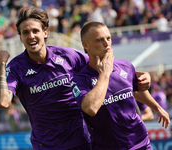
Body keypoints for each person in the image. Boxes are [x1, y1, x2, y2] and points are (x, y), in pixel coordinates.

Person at [0, 7, 152, 149]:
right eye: (25, 32)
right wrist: (1, 64)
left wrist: (139, 74)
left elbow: (101, 64)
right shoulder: (16, 67)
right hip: (47, 145)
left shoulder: (68, 55)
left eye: (35, 31)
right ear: (20, 37)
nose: (31, 36)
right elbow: (2, 102)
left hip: (83, 139)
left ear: (45, 33)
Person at [71, 21, 170, 150]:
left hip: (140, 143)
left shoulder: (126, 66)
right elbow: (91, 108)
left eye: (108, 38)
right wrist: (104, 74)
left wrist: (156, 107)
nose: (106, 43)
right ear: (86, 45)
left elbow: (135, 90)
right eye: (99, 40)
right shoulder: (80, 80)